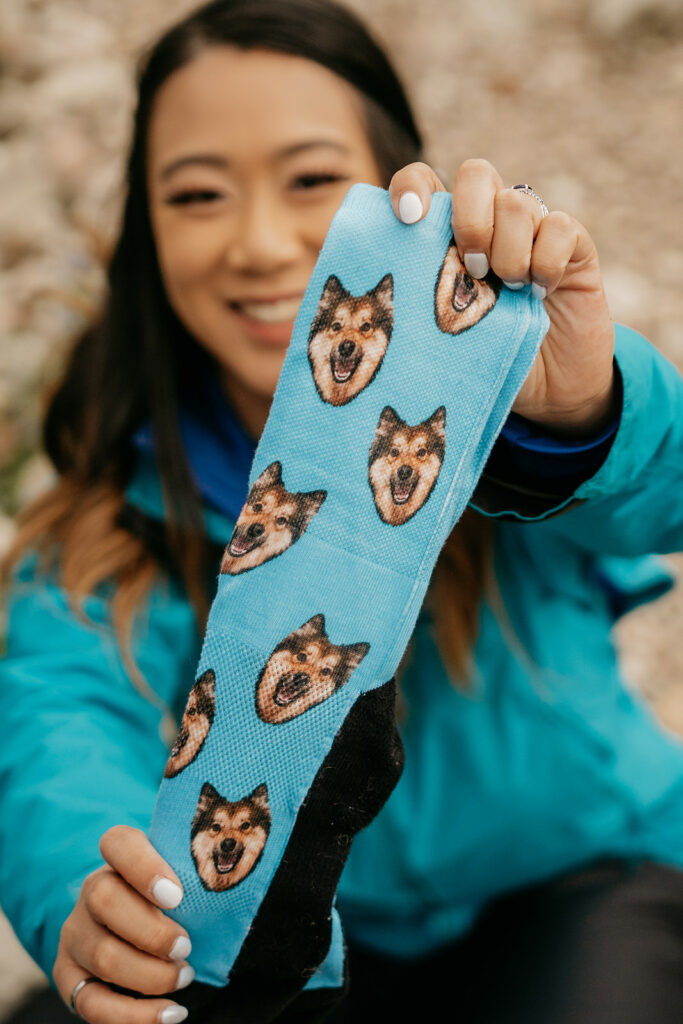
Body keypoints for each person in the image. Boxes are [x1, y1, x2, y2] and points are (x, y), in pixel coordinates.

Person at [1, 0, 682, 1021]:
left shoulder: (498, 433)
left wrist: (577, 409)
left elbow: (653, 501)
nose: (262, 242)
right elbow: (55, 750)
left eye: (313, 180)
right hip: (292, 950)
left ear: (401, 185)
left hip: (575, 886)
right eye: (197, 194)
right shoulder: (103, 535)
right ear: (145, 234)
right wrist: (88, 905)